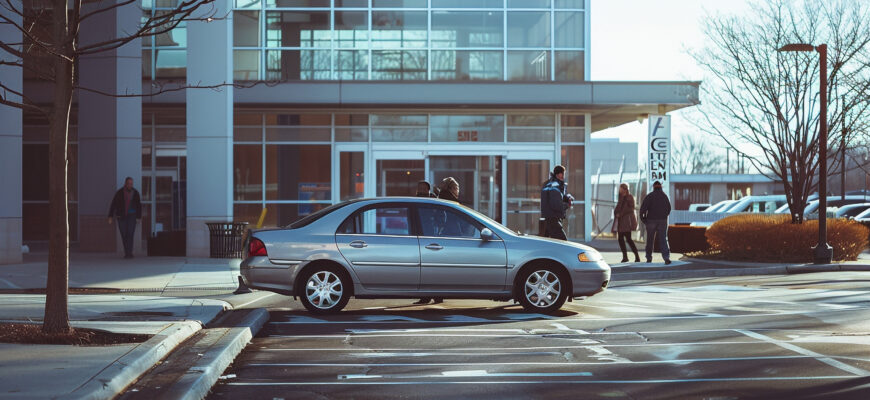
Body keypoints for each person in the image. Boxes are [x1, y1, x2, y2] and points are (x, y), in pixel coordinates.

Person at [413, 177, 458, 305]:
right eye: (419, 188)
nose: (420, 191)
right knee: (425, 269)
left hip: (431, 238)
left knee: (432, 268)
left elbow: (441, 218)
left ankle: (436, 295)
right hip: (422, 237)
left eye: (423, 188)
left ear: (428, 190)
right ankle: (428, 296)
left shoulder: (432, 202)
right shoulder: (418, 201)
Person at [107, 177, 142, 259]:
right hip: (121, 216)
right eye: (129, 183)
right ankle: (127, 252)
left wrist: (139, 217)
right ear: (125, 184)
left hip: (132, 215)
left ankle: (129, 253)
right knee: (124, 234)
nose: (130, 185)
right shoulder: (119, 193)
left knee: (130, 234)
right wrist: (110, 216)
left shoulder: (135, 193)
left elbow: (139, 205)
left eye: (131, 184)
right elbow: (113, 204)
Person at [639, 180, 672, 264]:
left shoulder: (650, 196)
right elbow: (669, 209)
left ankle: (649, 257)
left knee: (650, 240)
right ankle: (666, 257)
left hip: (651, 220)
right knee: (663, 239)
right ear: (661, 187)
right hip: (662, 221)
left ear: (653, 187)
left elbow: (642, 210)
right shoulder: (665, 196)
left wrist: (645, 220)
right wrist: (664, 216)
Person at [540, 165, 574, 240]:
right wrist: (567, 205)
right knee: (563, 242)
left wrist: (567, 197)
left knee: (546, 243)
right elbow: (555, 204)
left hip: (549, 218)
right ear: (559, 174)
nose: (564, 176)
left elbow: (558, 197)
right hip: (553, 219)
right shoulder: (554, 185)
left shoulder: (551, 184)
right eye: (563, 174)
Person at [613, 183, 640, 263]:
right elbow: (618, 207)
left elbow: (631, 208)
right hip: (621, 222)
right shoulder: (621, 197)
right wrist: (616, 213)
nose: (619, 190)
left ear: (624, 189)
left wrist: (620, 214)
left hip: (627, 222)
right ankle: (625, 256)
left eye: (621, 188)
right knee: (621, 239)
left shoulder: (629, 197)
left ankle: (636, 256)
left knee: (628, 239)